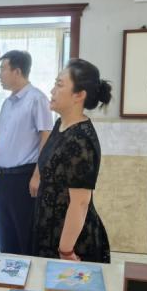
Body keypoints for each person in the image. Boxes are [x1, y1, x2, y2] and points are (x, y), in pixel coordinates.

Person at [32, 59, 111, 263]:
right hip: (50, 227)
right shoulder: (61, 124)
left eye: (59, 85)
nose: (52, 91)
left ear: (79, 95)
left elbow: (81, 202)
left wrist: (66, 250)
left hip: (71, 241)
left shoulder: (81, 139)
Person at [0, 50, 52, 256]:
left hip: (24, 178)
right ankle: (8, 272)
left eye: (3, 69)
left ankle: (29, 275)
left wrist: (38, 175)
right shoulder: (7, 103)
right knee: (5, 235)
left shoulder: (37, 99)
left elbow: (46, 137)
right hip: (1, 178)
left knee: (25, 236)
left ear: (17, 71)